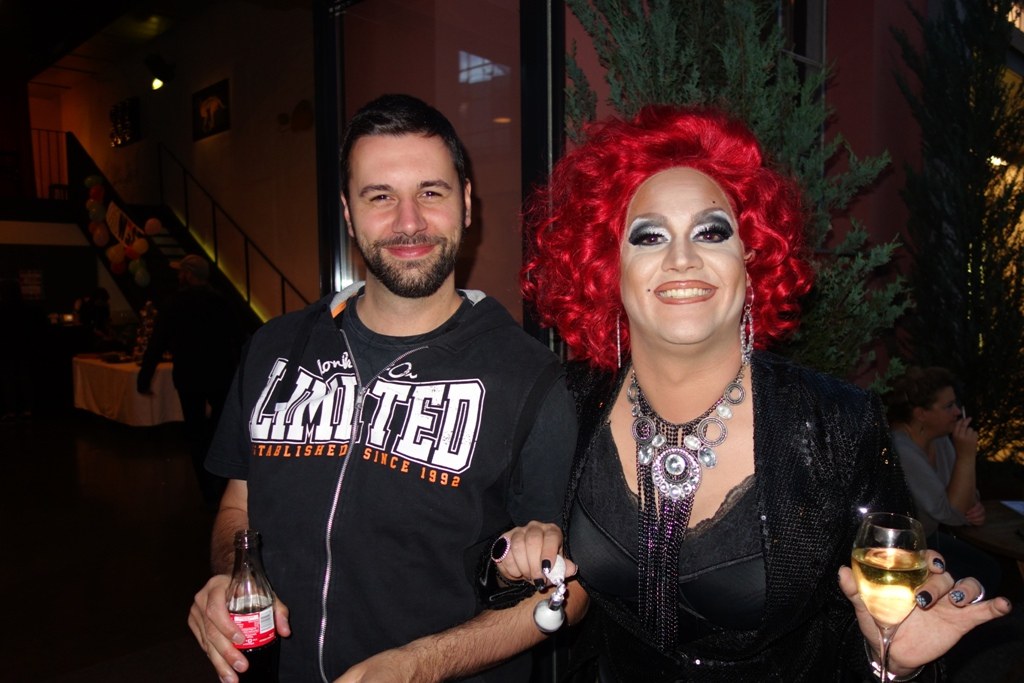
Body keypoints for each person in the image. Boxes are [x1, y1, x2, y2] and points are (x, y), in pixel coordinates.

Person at [489, 105, 1011, 681]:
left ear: (751, 257)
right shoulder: (571, 404)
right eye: (649, 236)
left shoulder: (835, 424)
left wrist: (894, 661)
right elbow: (521, 578)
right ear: (609, 267)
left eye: (712, 232)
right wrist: (511, 563)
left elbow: (880, 628)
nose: (682, 258)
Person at [187, 94, 580, 683]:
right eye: (380, 197)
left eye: (431, 192)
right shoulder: (274, 348)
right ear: (348, 213)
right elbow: (238, 503)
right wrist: (229, 576)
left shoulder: (532, 379)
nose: (408, 222)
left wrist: (419, 665)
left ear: (466, 203)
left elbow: (570, 590)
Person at [138, 254, 243, 509]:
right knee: (221, 430)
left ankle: (208, 491)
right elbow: (239, 338)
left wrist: (145, 376)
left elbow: (158, 341)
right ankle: (221, 484)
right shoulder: (221, 301)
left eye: (181, 272)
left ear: (188, 274)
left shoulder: (175, 303)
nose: (178, 276)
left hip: (190, 376)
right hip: (220, 374)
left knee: (196, 433)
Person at [886, 366, 1001, 593]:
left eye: (955, 404)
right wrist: (966, 456)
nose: (957, 412)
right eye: (948, 406)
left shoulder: (938, 440)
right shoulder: (901, 449)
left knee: (989, 569)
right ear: (921, 413)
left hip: (927, 540)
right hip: (899, 551)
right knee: (980, 575)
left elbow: (965, 499)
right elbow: (951, 513)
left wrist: (972, 506)